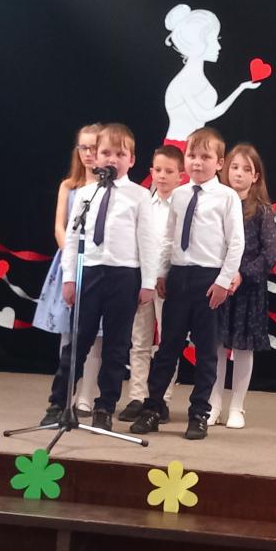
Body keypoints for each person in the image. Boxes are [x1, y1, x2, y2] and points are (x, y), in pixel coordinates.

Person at [40, 124, 157, 432]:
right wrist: (69, 278)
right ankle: (58, 404)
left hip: (124, 275)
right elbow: (73, 237)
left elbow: (148, 241)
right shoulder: (85, 194)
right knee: (77, 343)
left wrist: (147, 282)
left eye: (120, 154)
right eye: (106, 152)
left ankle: (105, 406)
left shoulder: (139, 196)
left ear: (131, 160)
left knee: (116, 346)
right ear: (95, 156)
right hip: (89, 272)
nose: (112, 159)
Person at [130, 127, 244, 440]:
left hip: (209, 279)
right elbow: (169, 237)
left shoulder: (227, 198)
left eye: (205, 157)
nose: (197, 162)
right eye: (192, 155)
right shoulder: (179, 195)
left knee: (206, 352)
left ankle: (199, 414)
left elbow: (236, 243)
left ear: (219, 163)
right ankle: (153, 408)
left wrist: (223, 281)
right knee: (167, 348)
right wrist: (161, 272)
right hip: (179, 276)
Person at [140, 4, 260, 189]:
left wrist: (241, 88)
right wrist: (240, 89)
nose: (218, 46)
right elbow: (205, 114)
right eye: (214, 40)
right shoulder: (182, 82)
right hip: (178, 150)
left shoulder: (198, 80)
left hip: (197, 150)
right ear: (198, 43)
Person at [32, 124, 103, 416]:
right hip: (70, 264)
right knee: (69, 330)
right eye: (83, 148)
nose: (88, 154)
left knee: (97, 335)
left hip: (99, 266)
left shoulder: (109, 189)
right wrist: (70, 259)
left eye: (94, 148)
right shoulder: (69, 186)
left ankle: (87, 396)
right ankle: (66, 395)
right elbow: (59, 227)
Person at [209, 144, 276, 429]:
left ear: (255, 176)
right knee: (214, 347)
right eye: (234, 167)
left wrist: (242, 274)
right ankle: (213, 405)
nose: (238, 173)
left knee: (242, 348)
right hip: (217, 285)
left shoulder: (261, 211)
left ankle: (237, 407)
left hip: (247, 289)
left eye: (246, 169)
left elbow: (271, 253)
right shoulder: (216, 204)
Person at [118, 145, 184, 424]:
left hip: (168, 282)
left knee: (167, 343)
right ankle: (136, 396)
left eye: (169, 171)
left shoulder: (182, 203)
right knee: (140, 340)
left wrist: (164, 273)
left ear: (180, 175)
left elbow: (177, 244)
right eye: (158, 170)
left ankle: (161, 399)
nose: (162, 176)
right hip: (143, 280)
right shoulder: (144, 201)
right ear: (150, 171)